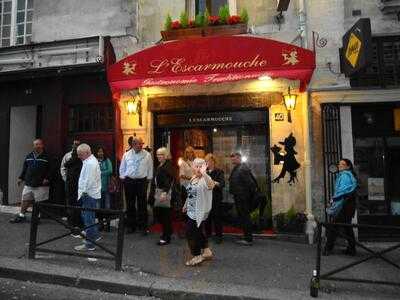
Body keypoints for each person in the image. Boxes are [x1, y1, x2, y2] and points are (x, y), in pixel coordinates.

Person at [183, 158, 215, 266]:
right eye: (196, 166)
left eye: (200, 166)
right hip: (192, 210)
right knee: (198, 231)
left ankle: (196, 255)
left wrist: (204, 174)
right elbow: (190, 193)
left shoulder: (206, 178)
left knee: (190, 232)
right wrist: (186, 204)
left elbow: (211, 185)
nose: (198, 168)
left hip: (200, 211)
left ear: (204, 167)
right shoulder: (193, 178)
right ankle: (206, 251)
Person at [10, 139, 51, 223]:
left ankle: (37, 217)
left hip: (41, 184)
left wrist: (47, 178)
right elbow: (25, 168)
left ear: (42, 145)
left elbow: (52, 169)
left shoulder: (47, 156)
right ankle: (21, 215)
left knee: (39, 201)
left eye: (38, 144)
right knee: (25, 199)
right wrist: (21, 178)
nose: (36, 146)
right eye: (35, 145)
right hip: (29, 183)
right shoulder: (29, 156)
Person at [324, 158, 358, 256]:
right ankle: (352, 249)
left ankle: (328, 248)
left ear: (348, 166)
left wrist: (334, 199)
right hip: (348, 205)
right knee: (347, 228)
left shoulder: (345, 176)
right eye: (339, 164)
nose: (339, 166)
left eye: (342, 164)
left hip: (344, 205)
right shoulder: (347, 175)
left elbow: (343, 191)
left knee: (334, 226)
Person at [119, 137, 153, 235]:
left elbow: (150, 168)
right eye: (139, 144)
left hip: (142, 182)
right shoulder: (126, 154)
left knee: (142, 204)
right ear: (133, 145)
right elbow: (122, 167)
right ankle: (131, 226)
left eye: (141, 144)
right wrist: (123, 178)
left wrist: (149, 178)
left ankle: (143, 227)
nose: (141, 145)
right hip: (129, 181)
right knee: (130, 204)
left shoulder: (147, 155)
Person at [74, 143, 101, 251]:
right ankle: (94, 236)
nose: (79, 157)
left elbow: (88, 180)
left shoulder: (90, 163)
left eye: (80, 154)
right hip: (90, 194)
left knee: (88, 219)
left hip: (89, 194)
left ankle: (89, 244)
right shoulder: (90, 161)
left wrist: (83, 192)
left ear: (87, 152)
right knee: (89, 217)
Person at [229, 152, 257, 246]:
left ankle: (248, 239)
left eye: (234, 158)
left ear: (239, 158)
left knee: (245, 217)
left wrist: (247, 197)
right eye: (232, 158)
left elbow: (251, 184)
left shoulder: (243, 168)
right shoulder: (237, 168)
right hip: (239, 197)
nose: (232, 160)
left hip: (243, 198)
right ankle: (246, 237)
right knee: (243, 217)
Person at [149, 147, 175, 246]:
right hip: (158, 192)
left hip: (164, 193)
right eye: (157, 154)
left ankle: (166, 237)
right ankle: (168, 231)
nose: (159, 156)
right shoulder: (161, 165)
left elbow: (169, 180)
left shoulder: (167, 166)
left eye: (161, 154)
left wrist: (165, 192)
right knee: (160, 214)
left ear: (166, 156)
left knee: (165, 215)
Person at [204, 153, 225, 244]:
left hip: (216, 198)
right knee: (207, 217)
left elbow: (222, 184)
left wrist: (214, 183)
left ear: (213, 161)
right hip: (206, 198)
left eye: (208, 161)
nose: (207, 163)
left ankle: (219, 236)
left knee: (217, 217)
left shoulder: (219, 171)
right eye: (206, 161)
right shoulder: (204, 172)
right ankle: (208, 234)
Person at [64, 147, 83, 234]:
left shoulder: (69, 162)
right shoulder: (81, 162)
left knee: (70, 206)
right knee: (77, 206)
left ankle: (71, 223)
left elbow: (65, 166)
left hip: (70, 187)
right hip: (77, 188)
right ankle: (77, 224)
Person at [96, 146, 113, 232]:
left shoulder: (107, 160)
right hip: (97, 189)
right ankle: (100, 224)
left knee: (107, 207)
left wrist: (100, 172)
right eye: (99, 152)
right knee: (99, 207)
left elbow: (110, 170)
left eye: (101, 151)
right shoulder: (95, 161)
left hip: (106, 187)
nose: (100, 153)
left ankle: (107, 225)